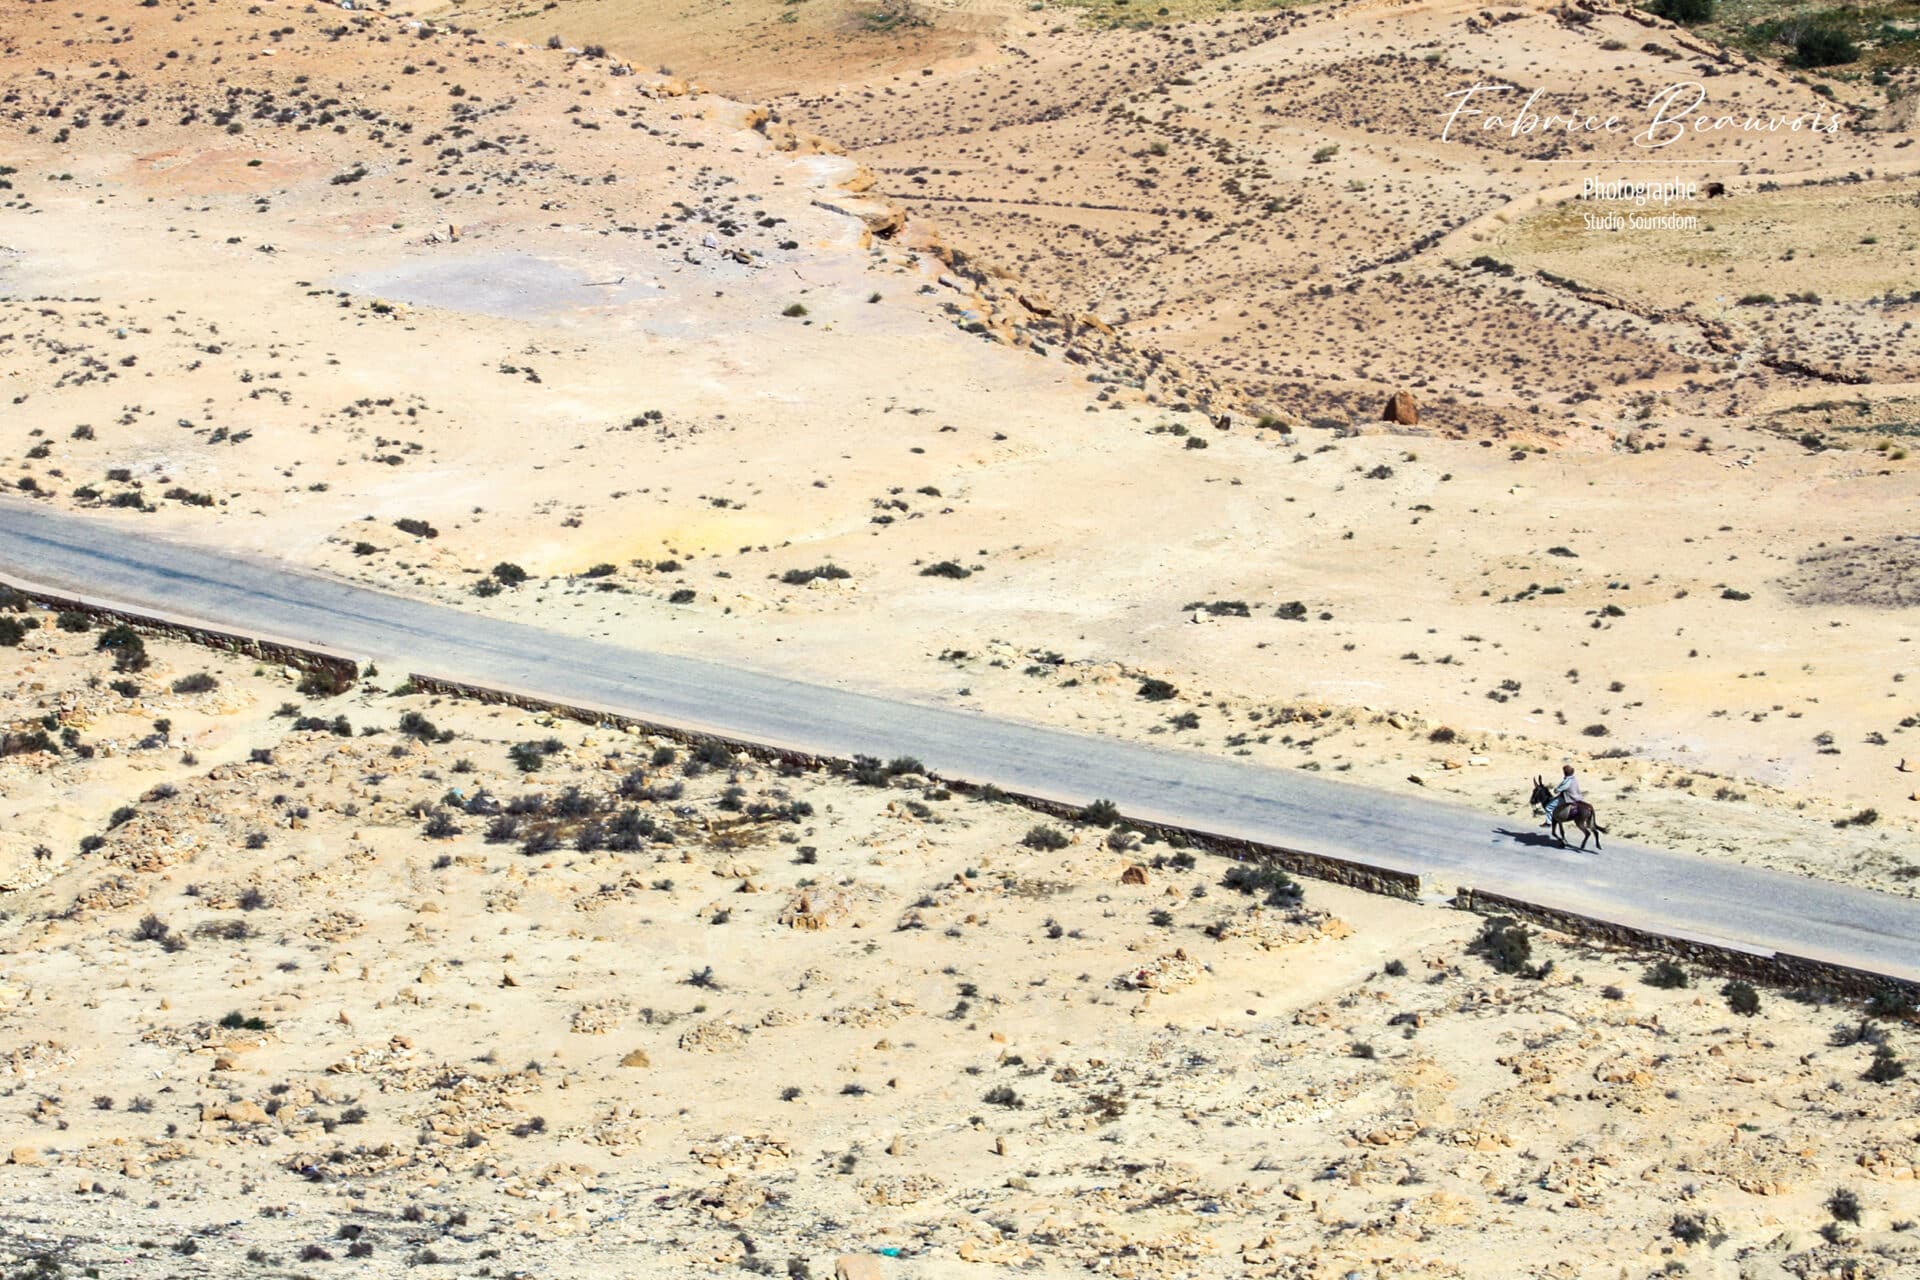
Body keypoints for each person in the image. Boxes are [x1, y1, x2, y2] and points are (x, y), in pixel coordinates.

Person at [1541, 763, 1581, 828]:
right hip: (1578, 797)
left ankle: (1548, 822)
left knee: (1548, 807)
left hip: (1568, 798)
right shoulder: (1574, 779)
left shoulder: (1567, 780)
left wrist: (1556, 790)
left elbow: (1562, 788)